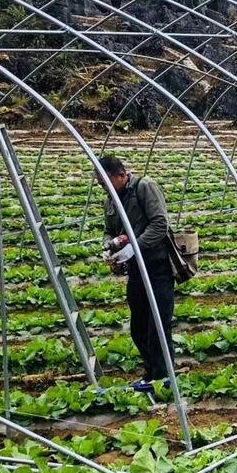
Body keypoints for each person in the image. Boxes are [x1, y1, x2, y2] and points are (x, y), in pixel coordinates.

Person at [100, 155, 176, 387]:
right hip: (136, 271)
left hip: (157, 265)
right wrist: (109, 247)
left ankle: (164, 379)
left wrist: (135, 247)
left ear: (121, 175)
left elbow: (160, 225)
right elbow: (108, 230)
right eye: (101, 185)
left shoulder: (145, 187)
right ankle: (151, 372)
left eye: (106, 182)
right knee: (139, 327)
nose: (104, 188)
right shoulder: (111, 201)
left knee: (158, 326)